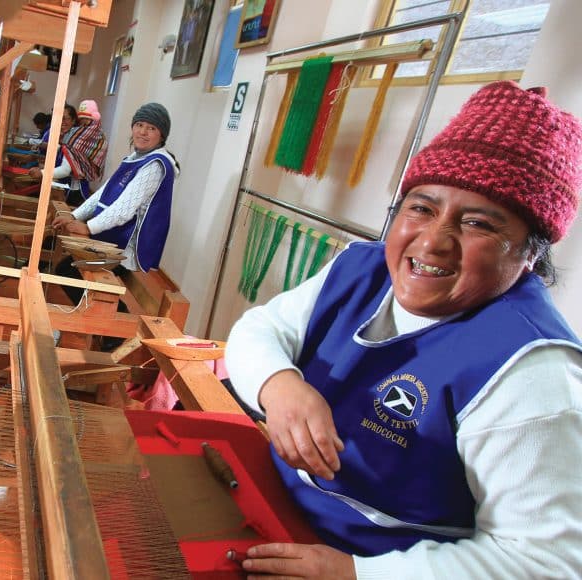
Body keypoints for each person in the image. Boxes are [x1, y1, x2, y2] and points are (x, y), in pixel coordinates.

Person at [224, 81, 582, 579]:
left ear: (530, 254)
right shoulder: (362, 269)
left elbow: (548, 562)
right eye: (421, 207)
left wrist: (358, 575)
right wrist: (278, 385)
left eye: (478, 224)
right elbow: (259, 330)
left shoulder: (530, 367)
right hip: (274, 503)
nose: (433, 241)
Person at [52, 102, 179, 278]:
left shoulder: (156, 165)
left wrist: (88, 227)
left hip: (128, 246)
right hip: (114, 236)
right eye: (139, 125)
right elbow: (103, 193)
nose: (142, 132)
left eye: (151, 128)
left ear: (161, 135)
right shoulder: (134, 158)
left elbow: (124, 210)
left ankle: (117, 307)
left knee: (69, 273)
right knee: (67, 270)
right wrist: (75, 216)